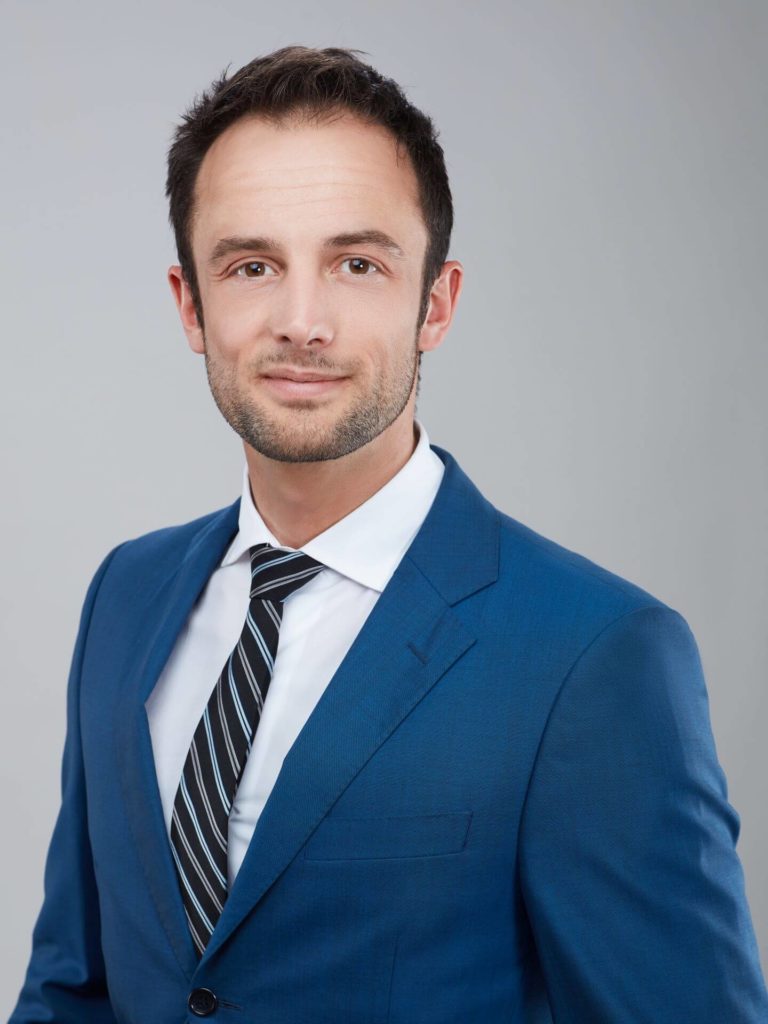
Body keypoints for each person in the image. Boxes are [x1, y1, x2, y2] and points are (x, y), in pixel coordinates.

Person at [9, 45, 768, 1024]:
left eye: (357, 263)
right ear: (190, 304)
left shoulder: (595, 657)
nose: (302, 320)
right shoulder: (127, 594)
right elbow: (72, 990)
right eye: (252, 265)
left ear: (436, 303)